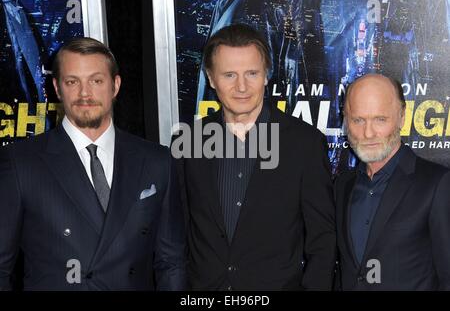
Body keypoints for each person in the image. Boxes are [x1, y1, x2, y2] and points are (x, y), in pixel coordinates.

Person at [0, 37, 187, 290]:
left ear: (115, 85)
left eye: (96, 81)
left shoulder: (156, 160)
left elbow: (171, 262)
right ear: (57, 87)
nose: (84, 93)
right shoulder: (21, 162)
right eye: (72, 82)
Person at [174, 24, 336, 290]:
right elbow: (177, 234)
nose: (241, 86)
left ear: (266, 76)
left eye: (251, 73)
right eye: (229, 75)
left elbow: (322, 240)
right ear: (211, 78)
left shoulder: (304, 144)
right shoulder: (187, 141)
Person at [335, 73, 450, 290]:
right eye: (358, 120)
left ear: (402, 117)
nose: (368, 133)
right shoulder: (342, 186)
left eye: (380, 119)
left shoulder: (437, 184)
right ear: (345, 120)